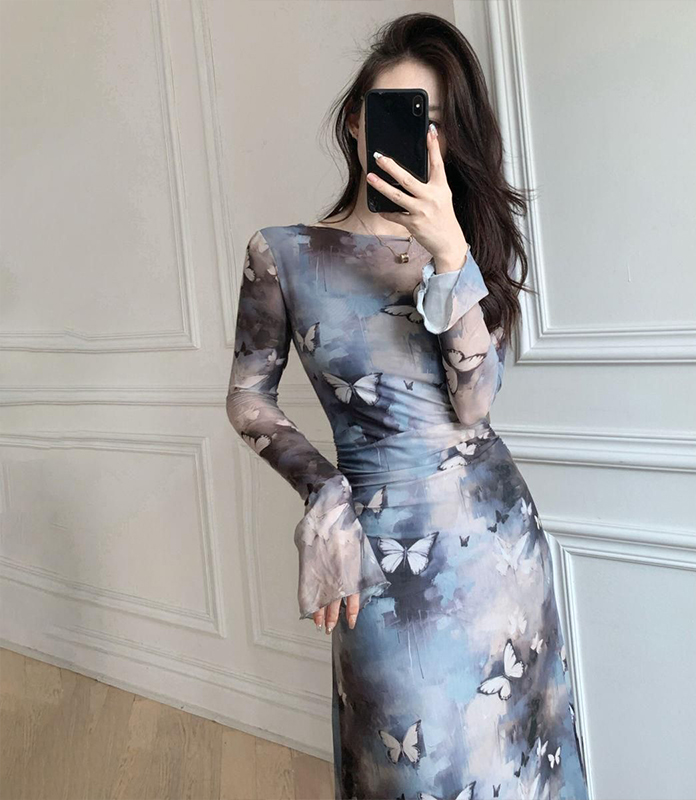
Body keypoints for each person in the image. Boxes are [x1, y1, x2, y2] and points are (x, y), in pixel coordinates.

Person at [225, 12, 588, 800]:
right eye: (396, 110)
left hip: (500, 551)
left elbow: (475, 404)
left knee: (525, 767)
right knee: (413, 774)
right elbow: (249, 398)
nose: (415, 135)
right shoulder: (283, 253)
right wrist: (324, 491)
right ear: (357, 120)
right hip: (385, 557)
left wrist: (451, 256)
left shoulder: (467, 249)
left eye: (434, 120)